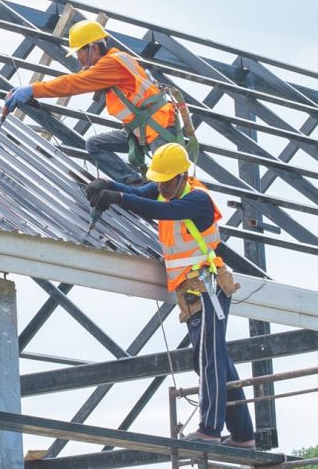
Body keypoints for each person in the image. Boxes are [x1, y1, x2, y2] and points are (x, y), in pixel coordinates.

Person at [88, 142, 256, 447]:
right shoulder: (169, 187)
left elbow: (158, 209)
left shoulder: (196, 199)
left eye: (166, 180)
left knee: (208, 360)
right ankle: (244, 435)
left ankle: (210, 429)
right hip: (192, 291)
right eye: (160, 180)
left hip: (207, 288)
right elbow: (145, 194)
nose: (161, 186)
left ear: (182, 176)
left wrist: (119, 197)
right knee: (216, 360)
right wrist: (109, 185)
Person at [3, 20, 179, 184]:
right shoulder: (114, 61)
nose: (78, 57)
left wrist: (32, 89)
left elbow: (73, 83)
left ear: (93, 47)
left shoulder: (112, 63)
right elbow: (79, 79)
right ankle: (134, 184)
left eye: (80, 51)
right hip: (142, 129)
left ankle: (153, 198)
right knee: (95, 144)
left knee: (167, 182)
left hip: (157, 128)